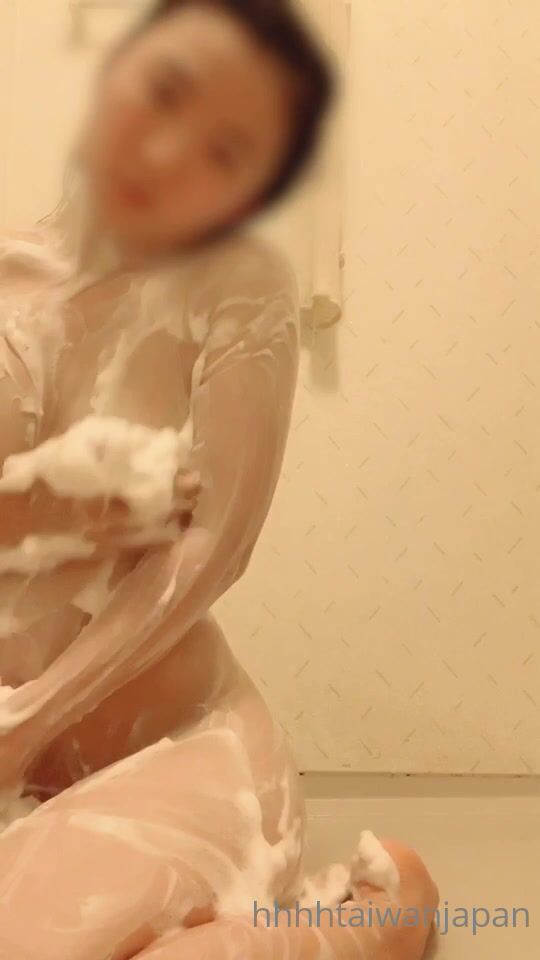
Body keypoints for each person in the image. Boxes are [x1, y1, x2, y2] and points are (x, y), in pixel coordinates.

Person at [0, 1, 439, 957]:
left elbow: (217, 543)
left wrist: (30, 719)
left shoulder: (238, 287)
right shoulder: (7, 281)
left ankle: (376, 916)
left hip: (176, 753)